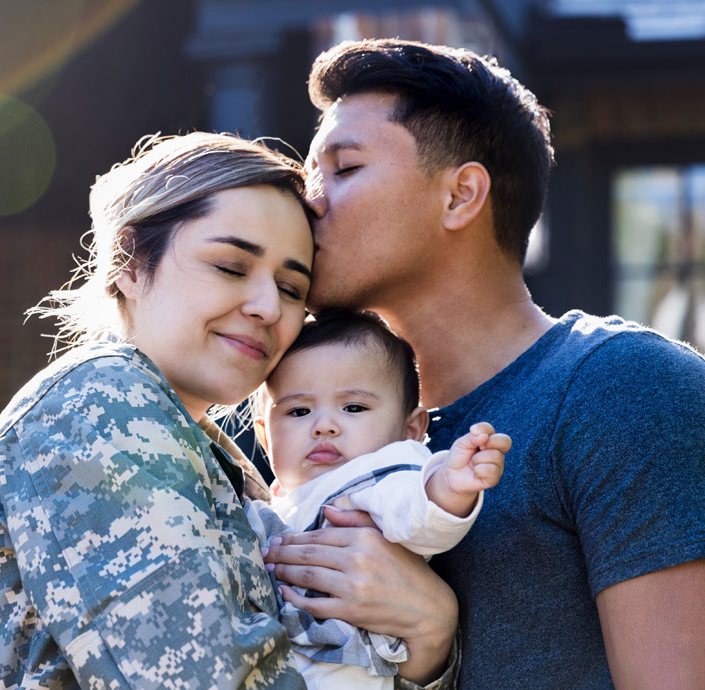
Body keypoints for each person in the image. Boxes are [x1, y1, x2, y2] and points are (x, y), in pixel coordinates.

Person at [0, 131, 457, 689]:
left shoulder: (206, 447)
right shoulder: (101, 404)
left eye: (290, 287)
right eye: (232, 267)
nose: (266, 308)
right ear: (129, 264)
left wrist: (428, 636)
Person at [259, 39, 705, 689]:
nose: (312, 201)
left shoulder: (622, 390)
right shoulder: (299, 423)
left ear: (461, 196)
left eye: (345, 168)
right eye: (309, 177)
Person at [245, 309, 509, 689]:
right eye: (299, 411)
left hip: (346, 669)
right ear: (267, 438)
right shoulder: (282, 500)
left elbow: (416, 514)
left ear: (411, 430)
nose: (324, 425)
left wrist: (449, 485)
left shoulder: (376, 473)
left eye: (353, 407)